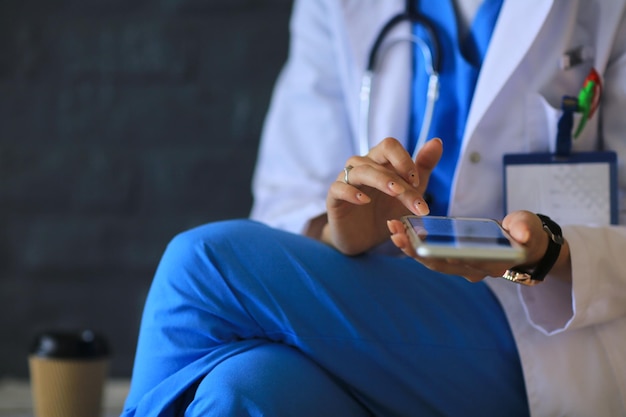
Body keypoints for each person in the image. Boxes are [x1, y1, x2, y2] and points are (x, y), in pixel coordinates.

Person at [122, 1, 626, 416]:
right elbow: (285, 194)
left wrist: (546, 252)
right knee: (244, 389)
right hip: (367, 322)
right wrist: (340, 230)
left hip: (543, 338)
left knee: (202, 264)